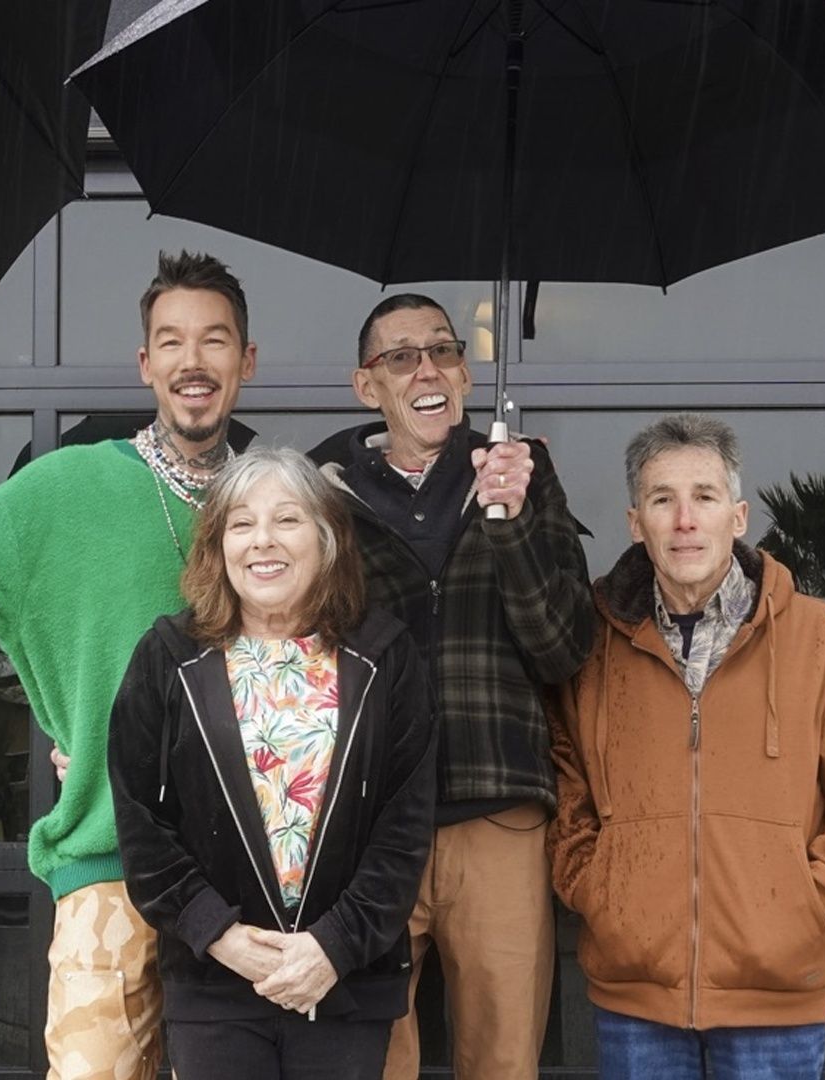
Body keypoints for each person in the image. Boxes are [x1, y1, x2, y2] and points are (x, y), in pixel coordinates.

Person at [0, 250, 257, 1080]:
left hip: (250, 885)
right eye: (172, 341)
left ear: (246, 361)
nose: (193, 360)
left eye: (215, 340)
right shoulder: (67, 489)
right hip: (108, 872)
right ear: (144, 363)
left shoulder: (274, 504)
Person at [546, 413, 825, 1080]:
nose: (685, 520)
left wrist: (815, 896)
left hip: (778, 996)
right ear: (636, 523)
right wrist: (594, 883)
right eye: (663, 499)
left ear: (738, 517)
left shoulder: (822, 641)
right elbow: (564, 770)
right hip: (635, 998)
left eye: (705, 497)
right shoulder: (593, 645)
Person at [309, 294, 595, 1080]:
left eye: (443, 350)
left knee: (502, 1060)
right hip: (369, 823)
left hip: (498, 813)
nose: (427, 369)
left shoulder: (525, 476)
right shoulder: (322, 496)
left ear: (467, 374)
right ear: (367, 385)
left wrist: (510, 523)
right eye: (401, 357)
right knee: (369, 1060)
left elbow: (562, 649)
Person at [108, 447, 437, 1080]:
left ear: (326, 539)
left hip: (343, 983)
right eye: (241, 523)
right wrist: (222, 937)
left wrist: (332, 947)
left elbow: (404, 828)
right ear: (218, 546)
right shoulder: (168, 656)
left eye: (287, 519)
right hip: (214, 984)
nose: (263, 540)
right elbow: (141, 825)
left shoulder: (384, 655)